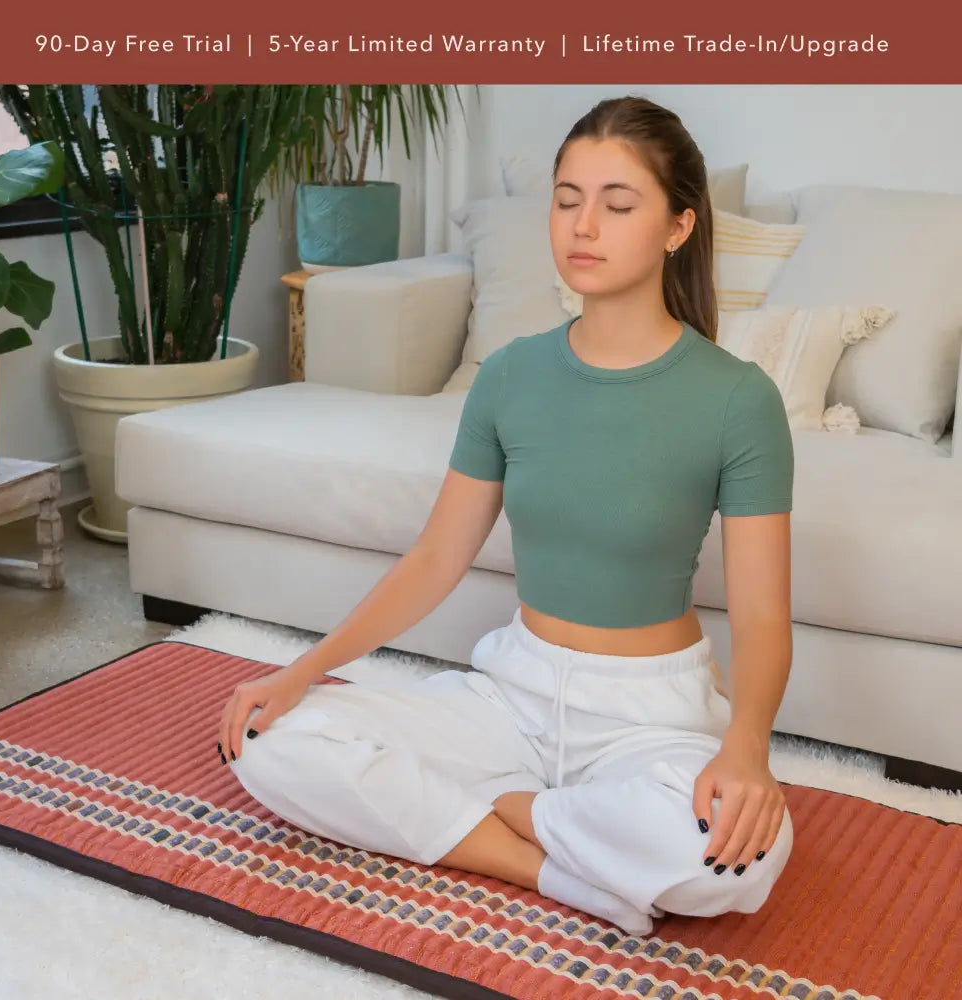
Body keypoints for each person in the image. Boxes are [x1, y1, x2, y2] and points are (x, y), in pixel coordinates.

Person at [217, 94, 796, 936]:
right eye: (567, 200)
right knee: (270, 741)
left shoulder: (739, 401)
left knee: (728, 856)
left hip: (651, 715)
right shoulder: (511, 376)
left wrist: (746, 750)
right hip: (512, 696)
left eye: (617, 203)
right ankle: (558, 870)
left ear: (678, 226)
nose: (583, 226)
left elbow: (762, 614)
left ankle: (488, 809)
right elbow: (435, 559)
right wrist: (300, 672)